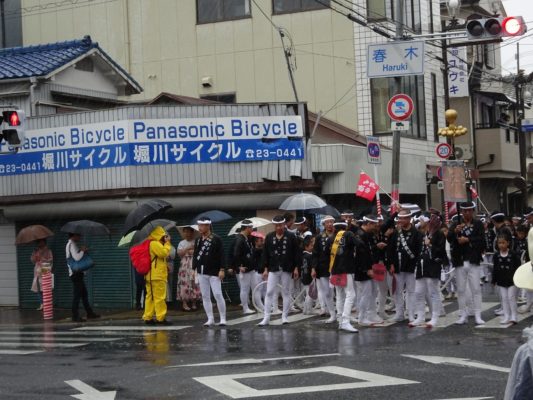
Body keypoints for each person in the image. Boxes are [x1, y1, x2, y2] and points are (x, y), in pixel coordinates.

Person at [447, 201, 486, 325]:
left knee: (476, 289)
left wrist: (468, 239)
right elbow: (449, 239)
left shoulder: (478, 224)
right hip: (459, 261)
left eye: (469, 210)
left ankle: (477, 315)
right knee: (461, 290)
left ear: (473, 211)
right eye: (464, 211)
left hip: (473, 260)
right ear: (462, 212)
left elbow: (482, 241)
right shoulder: (456, 224)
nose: (467, 213)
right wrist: (454, 231)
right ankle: (463, 314)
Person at [258, 215, 301, 326]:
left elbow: (296, 253)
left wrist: (296, 268)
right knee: (269, 292)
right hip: (273, 268)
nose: (279, 227)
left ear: (284, 225)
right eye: (276, 225)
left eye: (281, 225)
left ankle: (285, 317)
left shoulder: (291, 236)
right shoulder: (269, 237)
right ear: (274, 225)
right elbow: (265, 254)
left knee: (286, 292)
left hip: (287, 268)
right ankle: (266, 317)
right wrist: (265, 269)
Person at [387, 208, 423, 323]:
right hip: (397, 265)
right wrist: (391, 264)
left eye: (403, 218)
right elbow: (390, 249)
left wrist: (417, 264)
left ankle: (411, 314)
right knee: (397, 291)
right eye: (400, 218)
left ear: (409, 218)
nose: (401, 220)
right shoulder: (396, 233)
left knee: (411, 291)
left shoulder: (417, 234)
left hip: (411, 265)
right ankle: (399, 313)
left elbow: (419, 250)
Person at [411, 214, 446, 328]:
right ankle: (420, 316)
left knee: (433, 292)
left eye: (421, 220)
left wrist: (430, 244)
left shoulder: (439, 234)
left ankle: (435, 317)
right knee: (418, 292)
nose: (420, 222)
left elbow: (441, 251)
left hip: (433, 266)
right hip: (421, 266)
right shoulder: (423, 233)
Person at [193, 216, 226, 326]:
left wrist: (222, 269)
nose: (200, 228)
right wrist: (194, 269)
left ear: (208, 226)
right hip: (202, 271)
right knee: (205, 296)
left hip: (214, 271)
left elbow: (222, 255)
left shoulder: (216, 238)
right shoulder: (198, 240)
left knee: (217, 294)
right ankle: (210, 318)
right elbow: (196, 255)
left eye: (202, 225)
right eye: (199, 225)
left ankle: (223, 318)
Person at [327, 220, 358, 332]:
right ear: (345, 228)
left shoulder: (331, 239)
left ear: (335, 228)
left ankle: (340, 319)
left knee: (339, 295)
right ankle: (345, 321)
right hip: (346, 269)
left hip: (334, 270)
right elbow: (359, 244)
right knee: (351, 295)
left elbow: (327, 254)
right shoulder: (348, 235)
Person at [355, 215, 383, 326]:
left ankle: (371, 314)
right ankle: (362, 317)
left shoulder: (366, 235)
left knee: (372, 292)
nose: (375, 227)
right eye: (374, 225)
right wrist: (367, 269)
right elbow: (361, 255)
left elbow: (369, 251)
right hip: (362, 269)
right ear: (369, 224)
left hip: (368, 267)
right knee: (365, 294)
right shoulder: (360, 235)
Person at [66, 233, 100, 322]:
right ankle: (75, 316)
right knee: (77, 295)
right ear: (73, 236)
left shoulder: (73, 244)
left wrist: (81, 250)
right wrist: (82, 251)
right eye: (78, 235)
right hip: (75, 273)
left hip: (78, 273)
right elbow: (77, 258)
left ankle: (89, 313)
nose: (79, 237)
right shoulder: (71, 244)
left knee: (84, 294)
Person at [143, 226, 172, 325]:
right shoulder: (154, 243)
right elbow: (163, 253)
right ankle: (160, 318)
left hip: (151, 275)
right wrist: (168, 243)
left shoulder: (151, 243)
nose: (164, 237)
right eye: (163, 235)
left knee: (150, 297)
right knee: (159, 297)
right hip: (157, 275)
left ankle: (148, 317)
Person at [311, 215, 337, 323]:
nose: (330, 224)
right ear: (324, 225)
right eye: (327, 222)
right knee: (327, 292)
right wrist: (313, 268)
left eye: (331, 222)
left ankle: (341, 313)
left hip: (337, 267)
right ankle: (332, 314)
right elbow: (315, 253)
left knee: (340, 292)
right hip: (323, 267)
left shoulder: (338, 235)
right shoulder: (319, 237)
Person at [492, 233, 522, 324]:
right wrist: (494, 280)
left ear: (508, 243)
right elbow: (495, 268)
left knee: (511, 297)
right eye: (499, 243)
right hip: (501, 281)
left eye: (503, 243)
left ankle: (514, 316)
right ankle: (506, 316)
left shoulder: (513, 254)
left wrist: (518, 279)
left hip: (512, 281)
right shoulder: (496, 255)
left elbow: (518, 267)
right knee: (504, 298)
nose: (501, 245)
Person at [233, 219, 256, 315]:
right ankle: (245, 308)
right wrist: (239, 266)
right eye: (251, 228)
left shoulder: (246, 238)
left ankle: (258, 304)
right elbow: (235, 254)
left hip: (250, 268)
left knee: (253, 287)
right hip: (244, 269)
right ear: (247, 228)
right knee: (244, 289)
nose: (252, 229)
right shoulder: (240, 239)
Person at [176, 226, 201, 311]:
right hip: (184, 264)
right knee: (184, 282)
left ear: (192, 232)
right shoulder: (181, 243)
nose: (187, 234)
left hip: (194, 263)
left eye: (189, 232)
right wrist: (187, 249)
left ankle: (194, 302)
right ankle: (184, 303)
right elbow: (179, 254)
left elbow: (199, 253)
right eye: (185, 232)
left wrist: (193, 251)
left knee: (194, 282)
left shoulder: (196, 242)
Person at [31, 239, 53, 311]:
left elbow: (50, 260)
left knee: (45, 287)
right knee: (37, 287)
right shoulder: (36, 251)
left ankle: (47, 304)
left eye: (41, 241)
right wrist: (34, 257)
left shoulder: (48, 250)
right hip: (37, 269)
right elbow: (32, 260)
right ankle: (42, 303)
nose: (39, 243)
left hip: (45, 267)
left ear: (44, 242)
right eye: (38, 242)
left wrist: (42, 259)